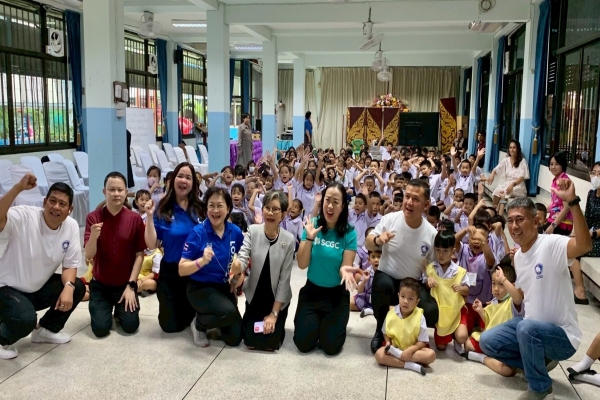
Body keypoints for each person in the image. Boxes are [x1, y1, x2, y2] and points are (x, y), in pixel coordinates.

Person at [479, 184, 592, 400]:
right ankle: (538, 364)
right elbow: (523, 295)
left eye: (520, 219)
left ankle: (540, 388)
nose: (514, 226)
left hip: (562, 336)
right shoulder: (519, 257)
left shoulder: (551, 244)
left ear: (536, 221)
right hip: (530, 328)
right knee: (487, 341)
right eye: (511, 220)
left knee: (526, 327)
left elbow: (585, 245)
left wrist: (573, 203)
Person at [0, 178, 85, 360]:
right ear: (45, 202)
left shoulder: (70, 226)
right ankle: (2, 339)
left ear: (70, 209)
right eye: (52, 201)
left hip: (35, 289)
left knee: (76, 287)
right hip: (6, 288)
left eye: (62, 204)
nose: (56, 207)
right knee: (25, 319)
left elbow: (70, 265)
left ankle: (45, 331)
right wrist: (18, 188)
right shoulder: (25, 216)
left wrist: (68, 287)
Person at [366, 179, 439, 354]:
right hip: (388, 277)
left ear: (426, 205)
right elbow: (368, 242)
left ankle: (409, 333)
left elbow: (433, 265)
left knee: (431, 311)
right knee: (382, 285)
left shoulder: (431, 233)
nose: (409, 202)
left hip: (412, 283)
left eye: (415, 199)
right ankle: (381, 330)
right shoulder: (390, 219)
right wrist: (378, 240)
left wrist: (430, 277)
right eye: (407, 197)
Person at [293, 182, 360, 356]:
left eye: (335, 202)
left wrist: (345, 271)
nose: (330, 206)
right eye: (327, 200)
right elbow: (301, 264)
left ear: (342, 206)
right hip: (312, 292)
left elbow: (346, 266)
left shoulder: (349, 232)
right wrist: (309, 239)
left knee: (331, 347)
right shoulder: (312, 225)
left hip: (336, 296)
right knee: (303, 344)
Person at [179, 187, 244, 347]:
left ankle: (217, 316)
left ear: (228, 208)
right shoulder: (198, 232)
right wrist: (201, 261)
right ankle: (198, 324)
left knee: (235, 339)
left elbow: (243, 261)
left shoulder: (235, 232)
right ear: (206, 208)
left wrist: (235, 281)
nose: (215, 211)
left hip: (223, 286)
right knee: (228, 312)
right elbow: (181, 269)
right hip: (200, 288)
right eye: (211, 206)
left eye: (220, 206)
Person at [231, 190, 295, 351]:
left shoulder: (289, 240)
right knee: (250, 342)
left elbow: (284, 280)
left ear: (283, 214)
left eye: (275, 209)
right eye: (267, 208)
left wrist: (274, 314)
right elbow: (243, 256)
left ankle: (277, 321)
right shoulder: (253, 231)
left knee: (270, 346)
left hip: (277, 299)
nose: (270, 213)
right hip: (255, 295)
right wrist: (238, 265)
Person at [84, 172, 146, 338]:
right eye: (111, 189)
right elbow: (89, 254)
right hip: (100, 285)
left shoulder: (135, 219)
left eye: (120, 190)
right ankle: (103, 307)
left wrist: (131, 285)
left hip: (125, 284)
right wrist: (93, 237)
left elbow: (139, 254)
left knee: (130, 326)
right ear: (104, 192)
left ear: (126, 192)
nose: (116, 194)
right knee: (100, 329)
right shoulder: (93, 218)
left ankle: (120, 309)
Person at [144, 163, 204, 333]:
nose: (183, 180)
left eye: (188, 177)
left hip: (195, 272)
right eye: (180, 176)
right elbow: (151, 244)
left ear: (193, 183)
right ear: (172, 180)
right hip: (171, 272)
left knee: (196, 317)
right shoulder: (162, 208)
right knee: (169, 326)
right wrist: (149, 217)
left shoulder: (201, 208)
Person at [464, 256, 520, 377]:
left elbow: (517, 297)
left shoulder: (512, 302)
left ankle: (481, 358)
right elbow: (490, 320)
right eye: (494, 283)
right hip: (489, 343)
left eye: (501, 284)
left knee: (507, 370)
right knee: (467, 344)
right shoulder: (494, 301)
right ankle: (486, 356)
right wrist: (480, 311)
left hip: (504, 346)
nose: (496, 289)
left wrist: (506, 280)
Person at [374, 278, 436, 375]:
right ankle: (409, 365)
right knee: (379, 355)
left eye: (410, 299)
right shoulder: (391, 313)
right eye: (403, 296)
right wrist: (388, 343)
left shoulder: (420, 316)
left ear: (417, 302)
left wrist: (410, 350)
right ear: (398, 296)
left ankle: (400, 358)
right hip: (395, 348)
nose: (405, 301)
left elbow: (422, 342)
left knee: (431, 355)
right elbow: (385, 332)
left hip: (413, 350)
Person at [424, 230, 469, 354]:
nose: (441, 254)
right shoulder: (431, 269)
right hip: (441, 314)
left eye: (445, 250)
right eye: (437, 250)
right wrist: (428, 281)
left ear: (453, 251)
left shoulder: (460, 271)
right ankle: (448, 333)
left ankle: (457, 334)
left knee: (462, 337)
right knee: (441, 347)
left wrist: (461, 289)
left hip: (456, 310)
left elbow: (467, 290)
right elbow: (425, 287)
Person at [569, 161, 600, 305]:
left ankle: (580, 291)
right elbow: (586, 219)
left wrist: (591, 235)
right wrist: (577, 232)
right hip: (590, 235)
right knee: (568, 243)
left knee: (576, 251)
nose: (596, 177)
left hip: (597, 237)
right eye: (594, 173)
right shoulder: (591, 194)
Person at [483, 140, 529, 209]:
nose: (512, 150)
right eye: (510, 147)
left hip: (518, 186)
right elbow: (497, 168)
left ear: (517, 149)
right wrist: (492, 174)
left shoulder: (522, 161)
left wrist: (512, 184)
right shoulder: (506, 160)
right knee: (497, 191)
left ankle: (500, 211)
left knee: (504, 192)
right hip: (507, 184)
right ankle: (494, 210)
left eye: (514, 148)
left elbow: (522, 177)